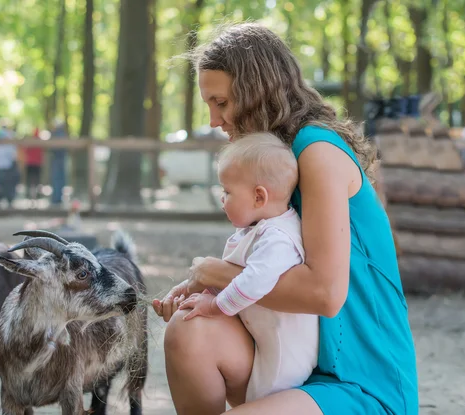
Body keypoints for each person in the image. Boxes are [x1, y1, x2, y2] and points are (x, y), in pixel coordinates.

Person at [152, 22, 418, 415]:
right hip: (299, 370)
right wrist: (203, 291)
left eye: (221, 103)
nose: (213, 120)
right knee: (188, 329)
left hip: (360, 381)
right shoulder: (273, 163)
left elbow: (325, 295)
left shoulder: (317, 152)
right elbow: (267, 272)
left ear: (256, 92)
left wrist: (216, 273)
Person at [178, 132, 319, 403]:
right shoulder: (259, 229)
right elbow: (232, 275)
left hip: (284, 356)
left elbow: (254, 281)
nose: (222, 199)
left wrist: (214, 306)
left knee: (261, 400)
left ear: (259, 197)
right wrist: (197, 290)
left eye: (227, 192)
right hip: (262, 337)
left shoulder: (279, 237)